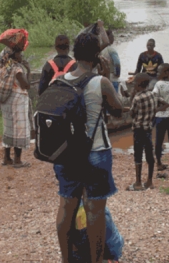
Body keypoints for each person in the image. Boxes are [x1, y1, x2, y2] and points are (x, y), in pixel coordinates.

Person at [54, 32, 123, 263]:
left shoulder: (59, 80)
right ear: (96, 55)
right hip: (95, 151)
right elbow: (118, 109)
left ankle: (66, 259)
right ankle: (96, 260)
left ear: (74, 53)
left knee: (66, 205)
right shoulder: (100, 82)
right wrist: (105, 76)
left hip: (65, 154)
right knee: (95, 210)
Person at [128, 73, 169, 191]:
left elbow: (132, 113)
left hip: (138, 129)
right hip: (148, 129)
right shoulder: (153, 95)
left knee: (138, 155)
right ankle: (150, 181)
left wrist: (131, 96)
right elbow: (166, 104)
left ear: (138, 85)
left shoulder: (137, 98)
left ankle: (138, 183)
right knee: (149, 155)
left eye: (135, 83)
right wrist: (154, 111)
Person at [0, 46, 32, 168]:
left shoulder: (5, 67)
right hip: (17, 101)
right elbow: (26, 85)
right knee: (19, 129)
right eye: (19, 53)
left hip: (7, 100)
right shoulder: (17, 69)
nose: (22, 55)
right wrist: (28, 70)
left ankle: (7, 158)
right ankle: (17, 160)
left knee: (8, 128)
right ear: (14, 55)